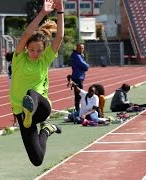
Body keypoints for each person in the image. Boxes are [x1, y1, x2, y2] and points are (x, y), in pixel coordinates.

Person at [10, 0, 64, 166]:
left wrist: (60, 12)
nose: (35, 53)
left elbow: (60, 37)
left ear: (44, 50)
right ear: (26, 48)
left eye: (39, 50)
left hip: (41, 107)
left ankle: (30, 109)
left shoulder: (45, 59)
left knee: (31, 93)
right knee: (37, 159)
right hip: (22, 112)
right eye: (32, 50)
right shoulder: (19, 58)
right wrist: (42, 13)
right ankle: (47, 130)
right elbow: (27, 34)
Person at [70, 43, 89, 113]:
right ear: (77, 48)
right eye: (80, 48)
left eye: (82, 48)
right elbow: (85, 66)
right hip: (77, 77)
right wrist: (87, 66)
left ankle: (78, 109)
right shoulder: (76, 56)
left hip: (79, 77)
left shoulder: (79, 55)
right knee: (79, 95)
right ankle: (78, 110)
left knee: (78, 95)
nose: (82, 50)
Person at [5, 51, 18, 127]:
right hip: (15, 86)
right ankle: (16, 121)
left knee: (15, 104)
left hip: (13, 87)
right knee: (18, 104)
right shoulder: (13, 65)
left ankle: (16, 121)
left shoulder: (11, 65)